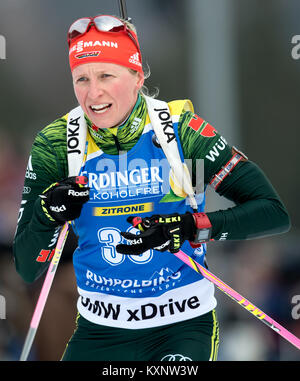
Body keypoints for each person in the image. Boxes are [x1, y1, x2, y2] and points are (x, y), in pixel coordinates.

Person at [13, 14, 291, 361]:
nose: (93, 92)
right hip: (100, 331)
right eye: (81, 78)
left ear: (137, 76)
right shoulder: (57, 144)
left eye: (106, 76)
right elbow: (26, 266)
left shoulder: (181, 132)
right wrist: (47, 212)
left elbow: (271, 212)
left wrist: (191, 227)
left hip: (181, 326)